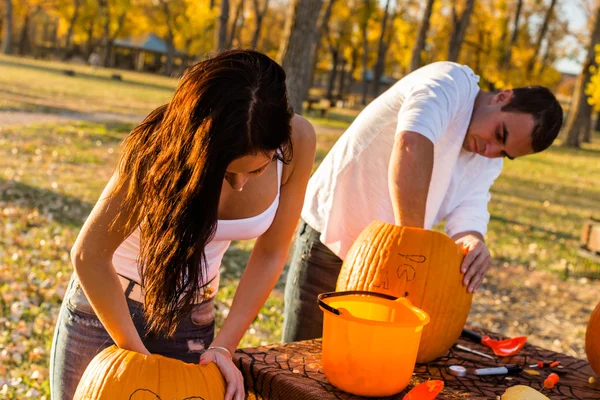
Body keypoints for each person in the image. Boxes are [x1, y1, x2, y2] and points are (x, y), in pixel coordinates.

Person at [49, 49, 316, 400]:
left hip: (192, 318)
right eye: (224, 170)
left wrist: (224, 347)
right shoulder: (160, 147)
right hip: (108, 307)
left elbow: (271, 252)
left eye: (256, 169)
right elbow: (89, 255)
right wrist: (136, 368)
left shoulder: (299, 141)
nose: (238, 184)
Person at [282, 61, 563, 343]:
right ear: (503, 96)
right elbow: (411, 144)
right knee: (299, 364)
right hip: (331, 238)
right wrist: (414, 247)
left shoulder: (488, 160)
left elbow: (469, 209)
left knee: (362, 366)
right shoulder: (448, 83)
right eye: (499, 134)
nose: (490, 150)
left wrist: (472, 239)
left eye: (504, 153)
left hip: (393, 267)